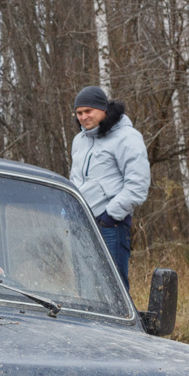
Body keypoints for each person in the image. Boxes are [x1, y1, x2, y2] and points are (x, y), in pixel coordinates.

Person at [69, 85, 150, 287]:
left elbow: (138, 185)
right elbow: (75, 180)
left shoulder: (127, 137)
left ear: (104, 109)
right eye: (79, 113)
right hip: (81, 223)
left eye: (89, 111)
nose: (83, 117)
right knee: (86, 287)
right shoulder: (79, 140)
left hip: (110, 226)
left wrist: (109, 216)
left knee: (112, 289)